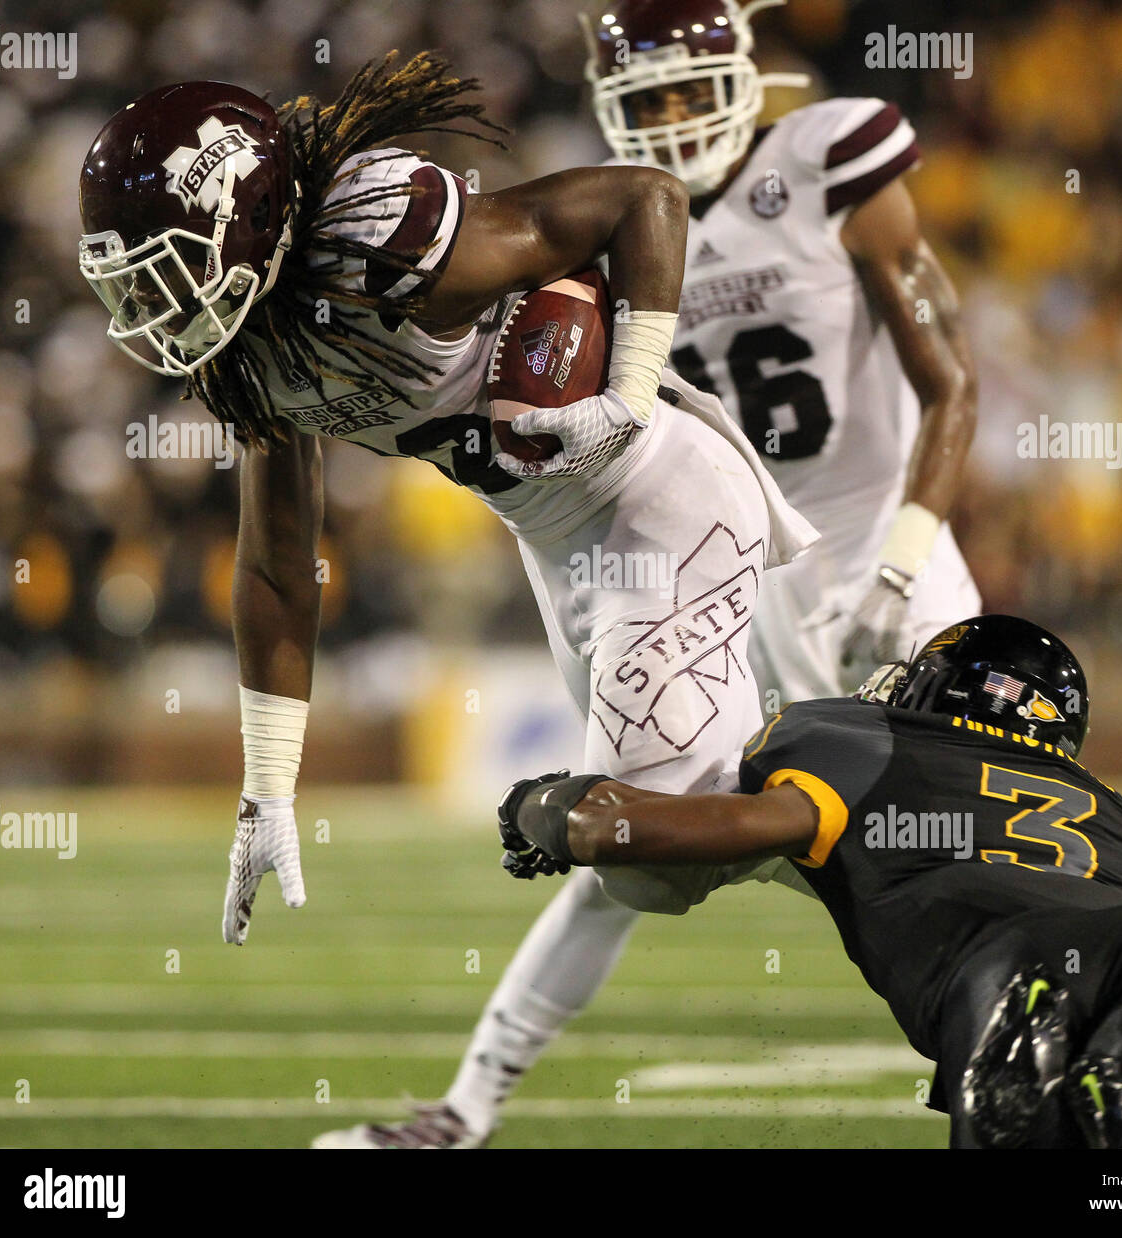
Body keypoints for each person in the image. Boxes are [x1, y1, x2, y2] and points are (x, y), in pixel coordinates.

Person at [77, 51, 817, 1043]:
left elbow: (643, 196)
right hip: (553, 538)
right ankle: (853, 795)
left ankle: (884, 800)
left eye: (167, 270)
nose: (155, 311)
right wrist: (265, 785)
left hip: (651, 490)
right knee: (653, 869)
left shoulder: (377, 240)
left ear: (242, 217)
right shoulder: (258, 349)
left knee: (644, 840)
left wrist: (627, 398)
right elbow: (276, 561)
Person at [400, 0, 981, 1148]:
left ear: (738, 76)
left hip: (884, 555)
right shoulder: (609, 218)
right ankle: (467, 1103)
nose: (666, 118)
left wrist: (901, 566)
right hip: (736, 564)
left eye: (683, 90)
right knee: (631, 831)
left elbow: (948, 382)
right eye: (643, 97)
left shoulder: (824, 157)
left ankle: (1055, 1059)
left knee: (962, 847)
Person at [497, 615, 1122, 1149]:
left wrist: (545, 805)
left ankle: (1036, 1072)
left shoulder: (866, 745)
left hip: (1002, 959)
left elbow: (658, 831)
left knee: (1019, 1122)